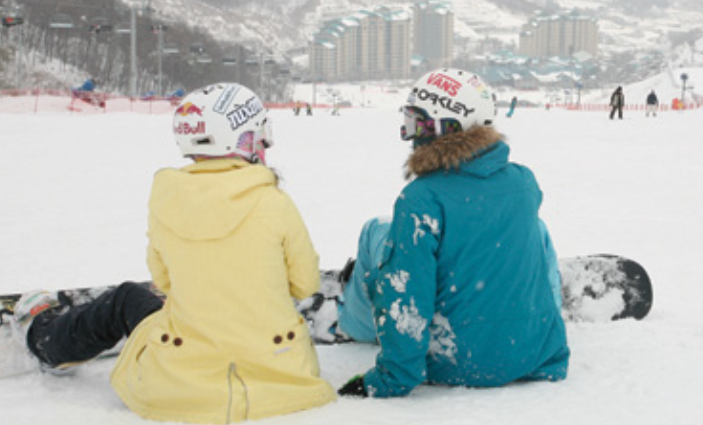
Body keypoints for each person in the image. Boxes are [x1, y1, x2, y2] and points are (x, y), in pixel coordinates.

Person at [12, 83, 336, 423]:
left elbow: (164, 282)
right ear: (243, 138)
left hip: (185, 381)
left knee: (127, 299)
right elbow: (305, 283)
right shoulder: (276, 202)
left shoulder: (166, 198)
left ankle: (44, 337)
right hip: (281, 374)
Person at [331, 68, 570, 398]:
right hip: (531, 354)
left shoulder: (420, 198)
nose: (410, 133)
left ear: (448, 127)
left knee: (376, 231)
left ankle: (350, 322)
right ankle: (540, 296)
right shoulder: (524, 182)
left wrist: (389, 379)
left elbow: (407, 298)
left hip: (453, 360)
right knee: (535, 228)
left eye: (419, 123)